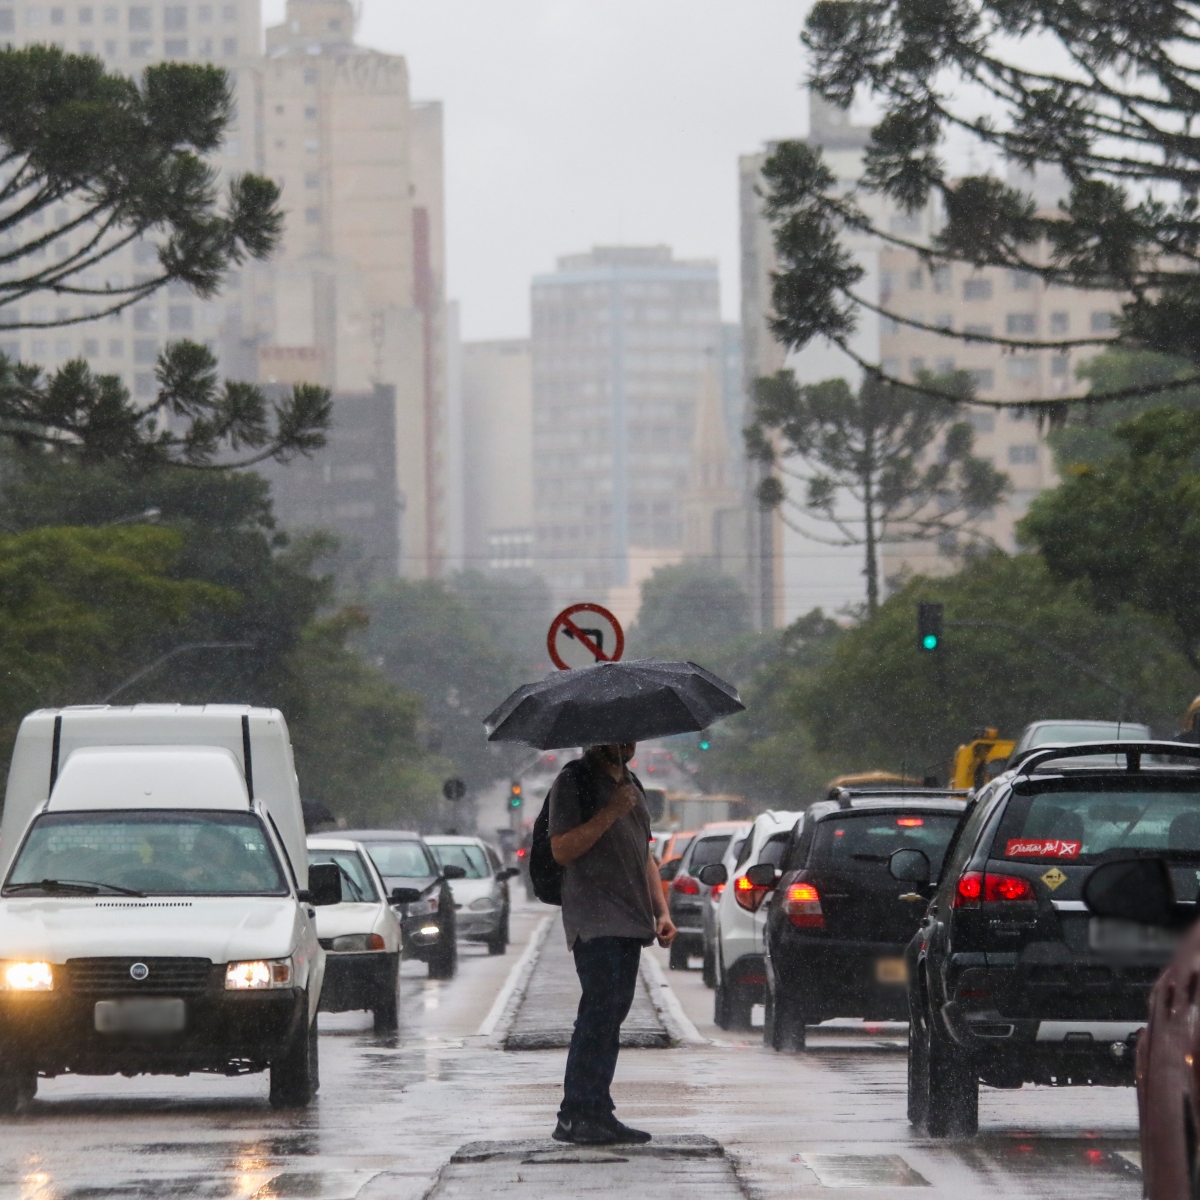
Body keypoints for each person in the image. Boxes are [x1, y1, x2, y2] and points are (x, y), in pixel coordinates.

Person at [548, 742, 677, 1146]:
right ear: (595, 738)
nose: (627, 743)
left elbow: (645, 857)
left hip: (631, 918)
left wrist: (662, 912)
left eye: (632, 735)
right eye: (618, 735)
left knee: (611, 1016)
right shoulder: (574, 781)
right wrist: (610, 812)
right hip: (595, 916)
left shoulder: (632, 783)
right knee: (598, 1011)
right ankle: (575, 1114)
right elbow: (561, 849)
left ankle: (597, 1112)